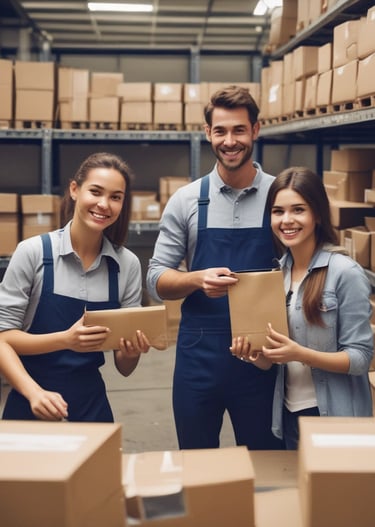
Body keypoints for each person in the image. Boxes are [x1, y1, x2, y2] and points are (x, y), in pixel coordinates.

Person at [147, 85, 283, 450]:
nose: (230, 141)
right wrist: (195, 279)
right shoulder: (187, 200)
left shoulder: (280, 197)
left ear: (256, 130)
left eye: (239, 130)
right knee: (197, 463)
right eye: (220, 131)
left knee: (267, 464)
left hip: (262, 357)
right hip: (199, 357)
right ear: (208, 133)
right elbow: (156, 277)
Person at [0, 151, 150, 422]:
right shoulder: (33, 252)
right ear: (74, 190)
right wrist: (35, 392)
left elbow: (124, 367)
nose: (104, 204)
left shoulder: (126, 264)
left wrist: (131, 352)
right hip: (30, 400)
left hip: (91, 407)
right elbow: (3, 338)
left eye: (115, 197)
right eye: (96, 192)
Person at [231, 166, 374, 449]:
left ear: (317, 215)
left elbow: (361, 358)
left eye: (298, 210)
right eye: (278, 211)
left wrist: (301, 354)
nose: (287, 220)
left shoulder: (345, 273)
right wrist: (254, 355)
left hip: (335, 417)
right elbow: (274, 360)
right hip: (289, 415)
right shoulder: (278, 276)